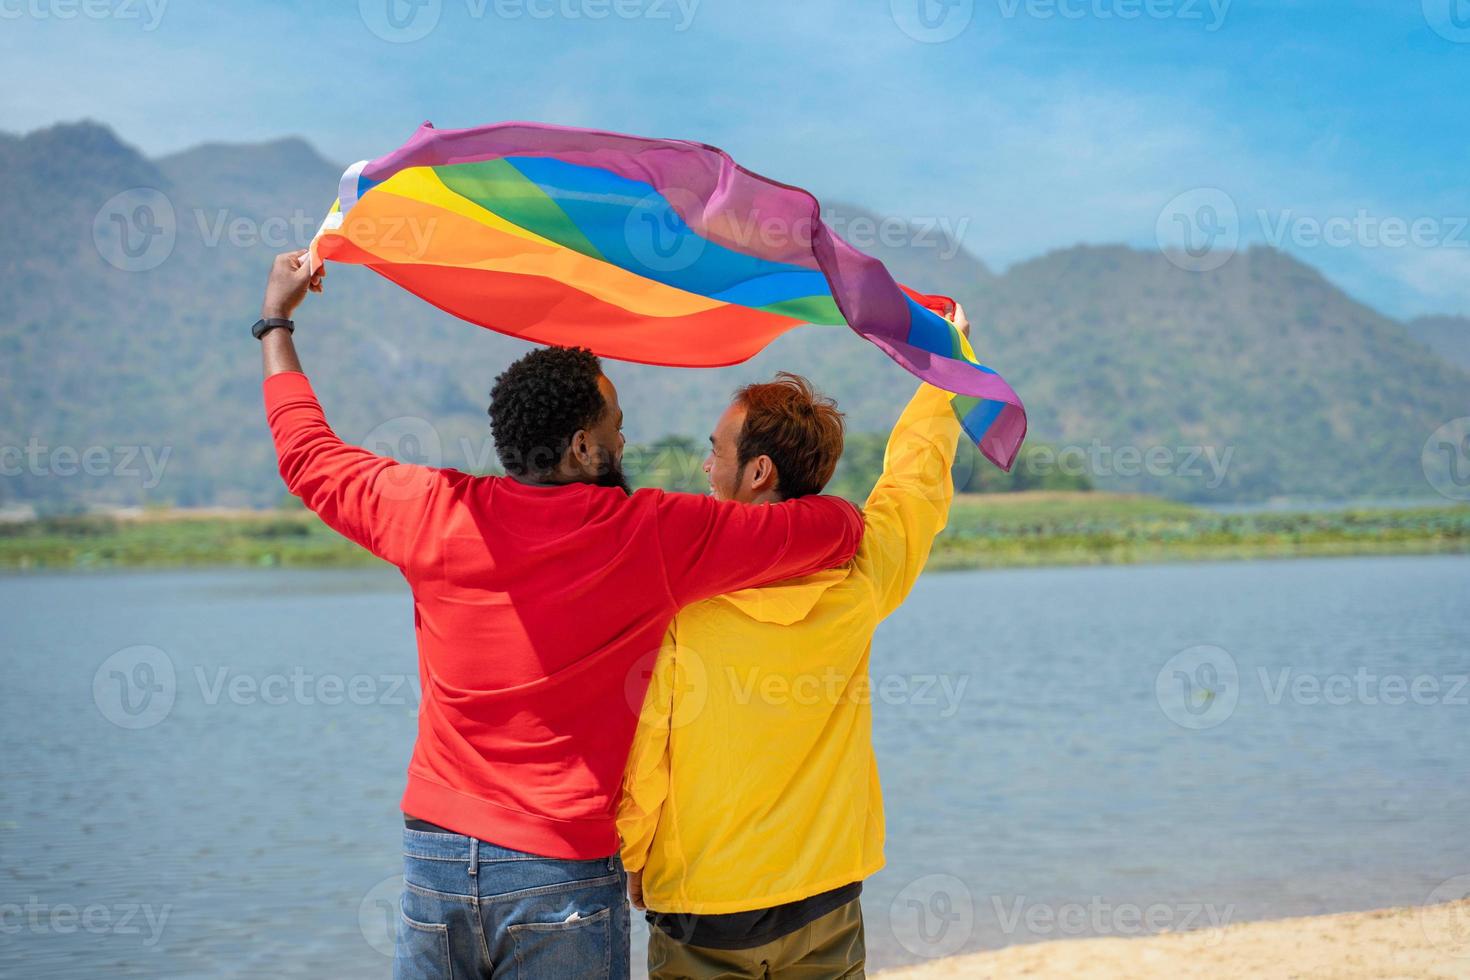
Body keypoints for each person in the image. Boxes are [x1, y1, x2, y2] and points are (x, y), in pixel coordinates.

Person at [253, 250, 865, 980]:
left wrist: (277, 322)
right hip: (560, 869)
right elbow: (834, 529)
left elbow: (307, 456)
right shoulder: (652, 536)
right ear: (582, 446)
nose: (625, 441)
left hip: (438, 856)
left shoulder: (430, 511)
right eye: (616, 424)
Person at [617, 306, 971, 979]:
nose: (704, 464)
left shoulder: (685, 604)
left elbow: (647, 749)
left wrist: (633, 856)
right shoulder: (859, 579)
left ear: (757, 475)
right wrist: (943, 376)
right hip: (827, 893)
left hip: (706, 902)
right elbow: (914, 487)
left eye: (717, 451)